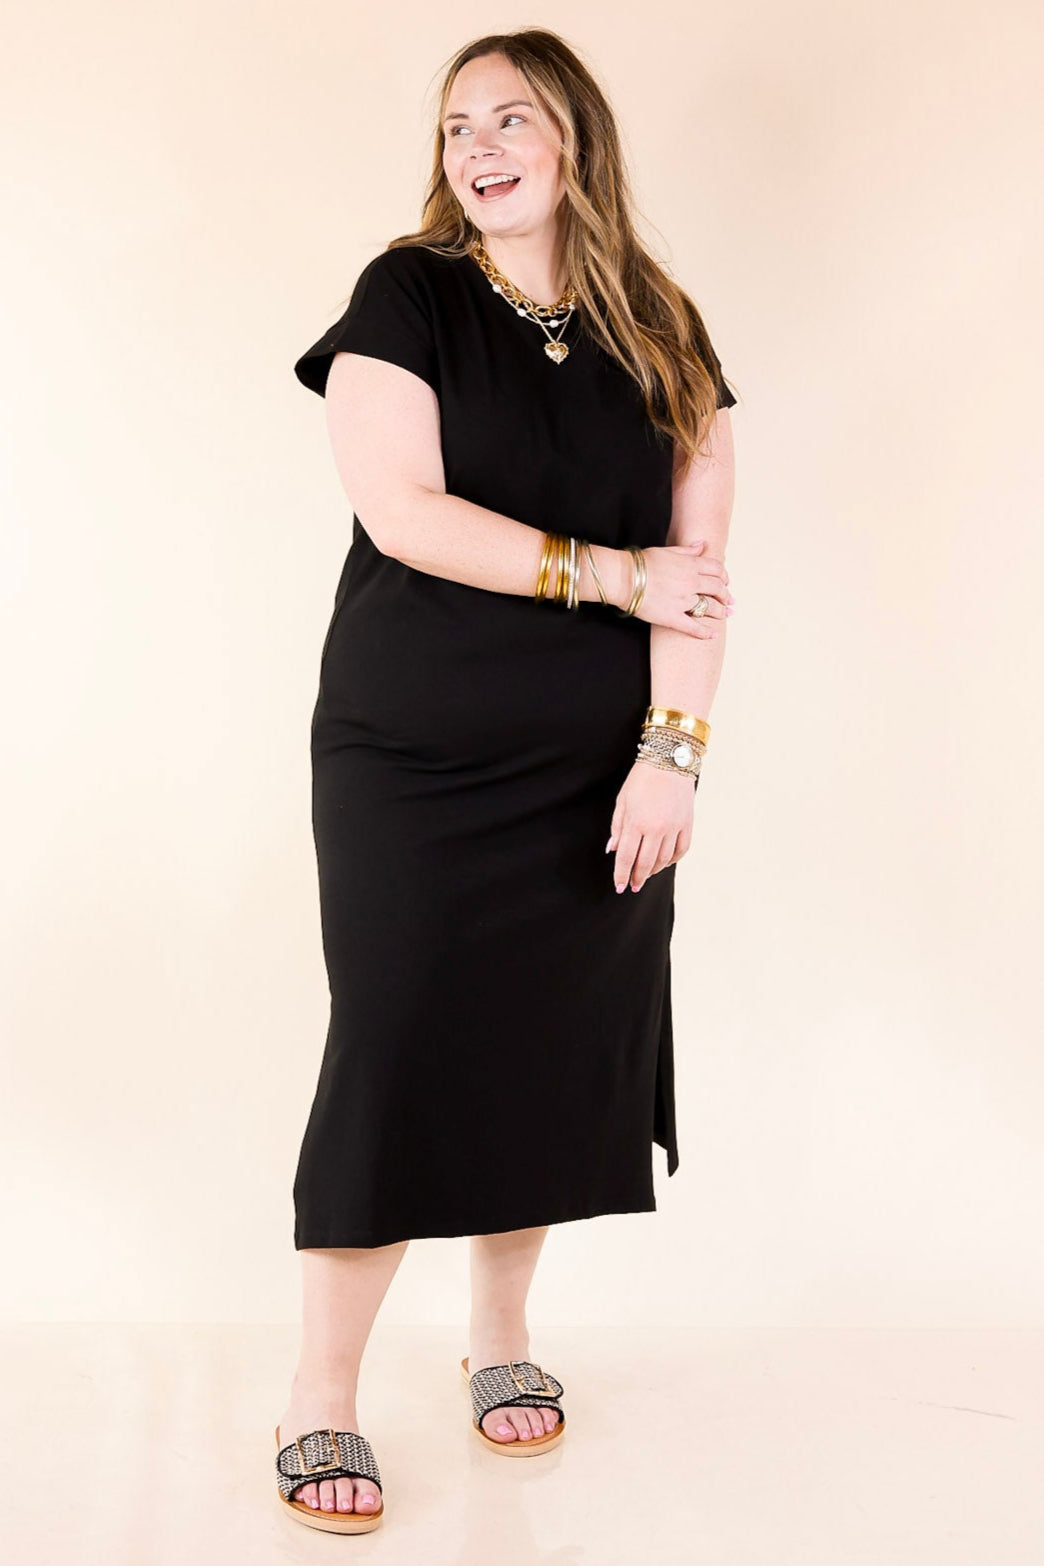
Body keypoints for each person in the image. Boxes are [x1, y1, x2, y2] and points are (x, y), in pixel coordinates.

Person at [274, 27, 738, 1533]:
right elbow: (403, 512)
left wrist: (672, 757)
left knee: (544, 1050)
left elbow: (701, 576)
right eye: (457, 123)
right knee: (400, 1043)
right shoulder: (407, 296)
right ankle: (321, 1395)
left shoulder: (663, 329)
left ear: (576, 140)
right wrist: (611, 573)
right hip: (410, 759)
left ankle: (499, 1337)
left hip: (594, 773)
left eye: (511, 118)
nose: (477, 146)